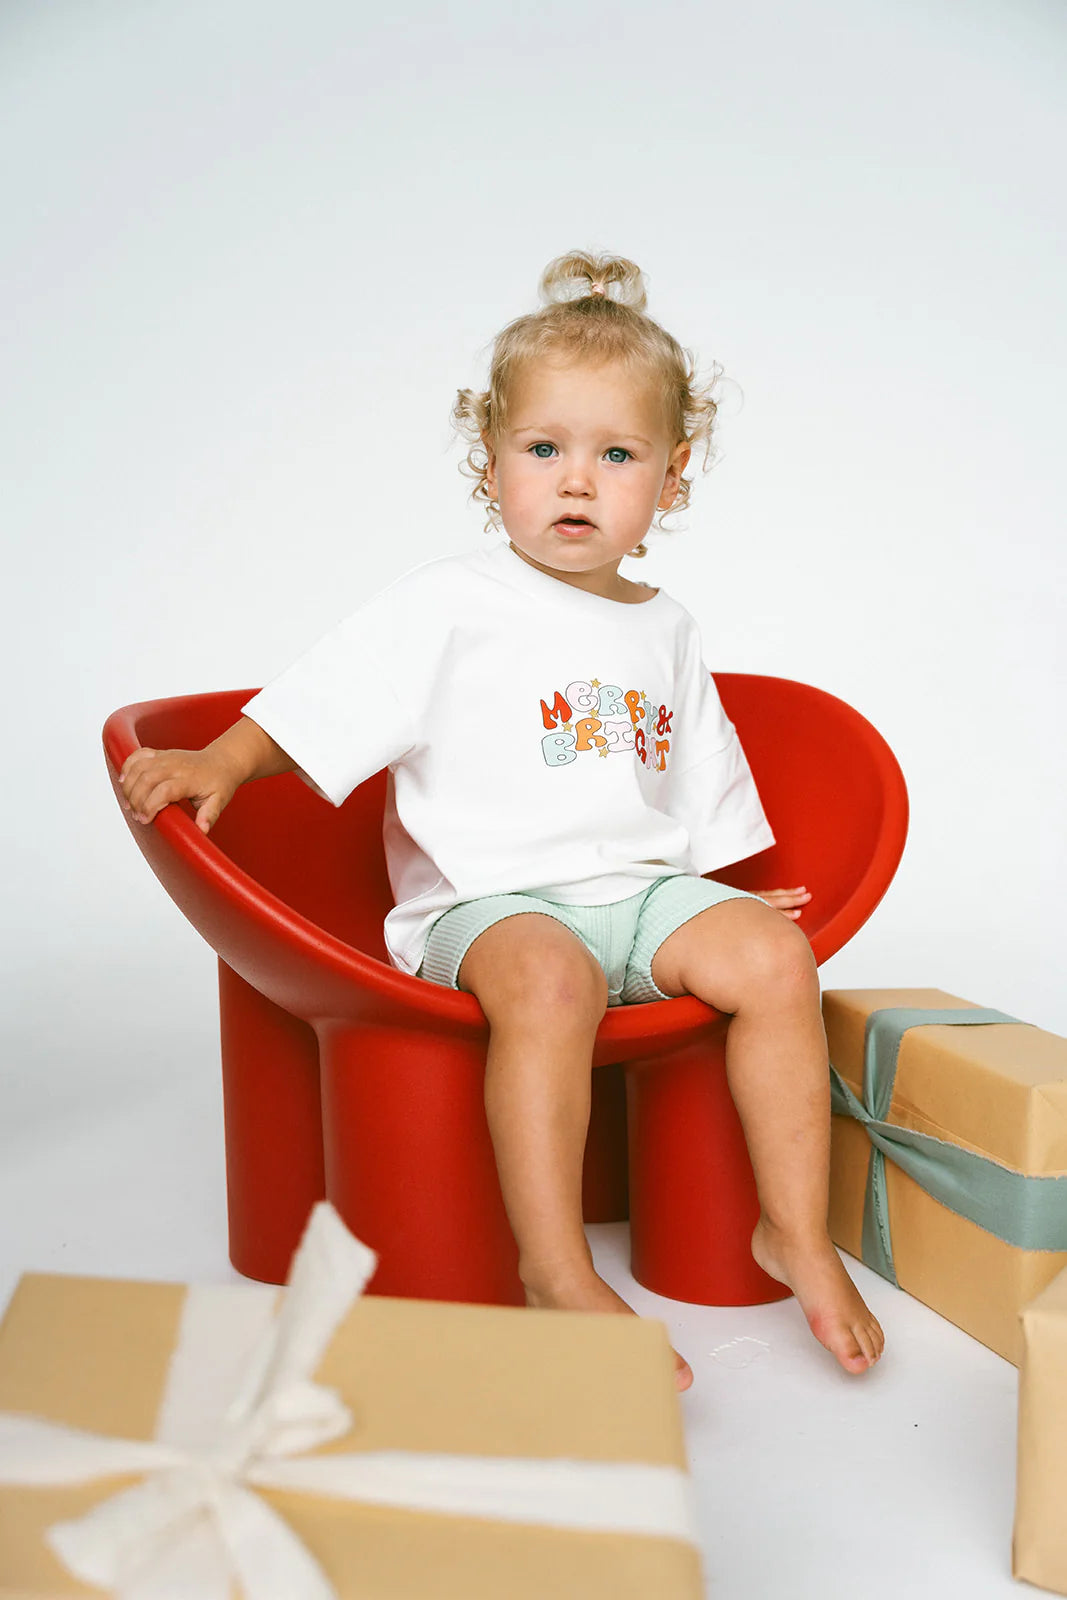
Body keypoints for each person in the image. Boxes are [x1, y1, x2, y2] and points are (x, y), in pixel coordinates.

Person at [118, 249, 885, 1393]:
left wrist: (723, 896)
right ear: (491, 465)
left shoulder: (664, 624)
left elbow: (696, 786)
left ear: (669, 481)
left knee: (773, 962)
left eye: (614, 455)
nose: (575, 482)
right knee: (547, 980)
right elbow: (322, 704)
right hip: (489, 905)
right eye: (544, 450)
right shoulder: (451, 605)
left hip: (635, 893)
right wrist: (222, 759)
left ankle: (794, 1232)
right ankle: (554, 1266)